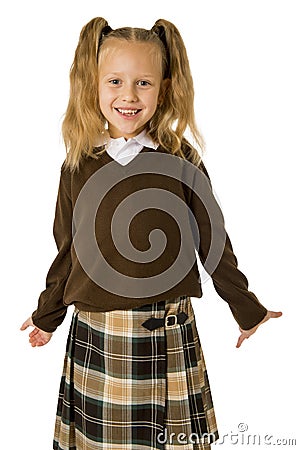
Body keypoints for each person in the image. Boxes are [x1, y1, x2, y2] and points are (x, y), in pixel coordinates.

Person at [20, 17, 282, 450]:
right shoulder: (78, 165)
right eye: (115, 81)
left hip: (167, 326)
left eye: (143, 83)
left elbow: (212, 240)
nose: (128, 95)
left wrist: (246, 307)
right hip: (99, 332)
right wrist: (48, 314)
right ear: (93, 85)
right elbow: (67, 250)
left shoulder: (182, 160)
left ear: (164, 88)